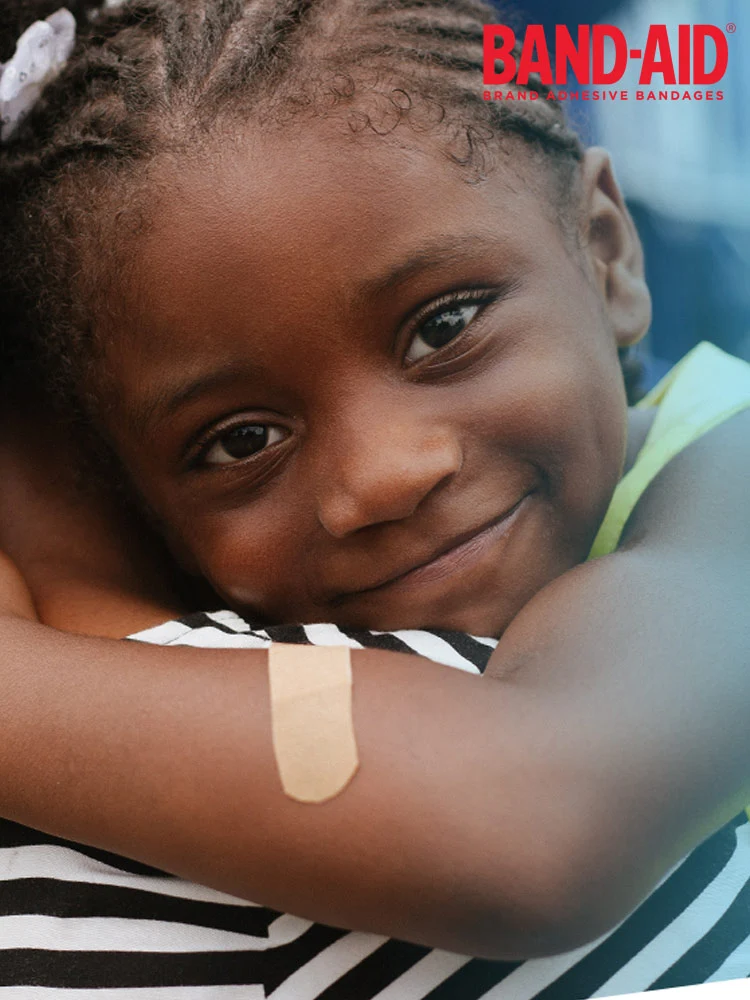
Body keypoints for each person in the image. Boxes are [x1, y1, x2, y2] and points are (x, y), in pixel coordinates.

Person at [1, 0, 750, 994]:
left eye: (445, 326)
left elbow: (532, 825)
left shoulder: (730, 469)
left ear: (606, 250)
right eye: (243, 441)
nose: (382, 478)